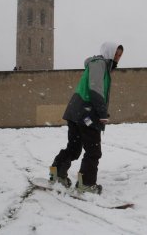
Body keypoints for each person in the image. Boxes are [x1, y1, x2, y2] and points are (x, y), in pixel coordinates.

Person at [50, 42, 124, 194]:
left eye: (120, 55)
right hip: (86, 114)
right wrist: (102, 113)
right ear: (108, 52)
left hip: (76, 112)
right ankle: (86, 184)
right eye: (115, 54)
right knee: (93, 151)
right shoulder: (99, 64)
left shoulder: (98, 64)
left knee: (74, 148)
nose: (117, 58)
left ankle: (57, 174)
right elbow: (95, 89)